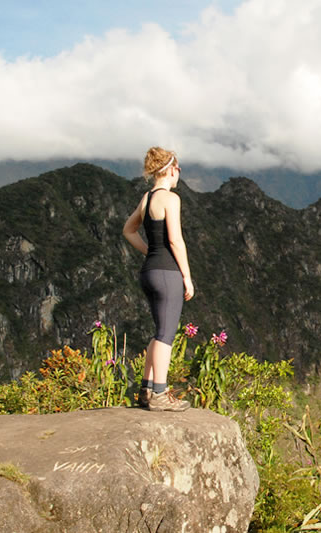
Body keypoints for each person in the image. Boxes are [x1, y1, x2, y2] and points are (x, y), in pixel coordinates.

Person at [123, 147, 194, 411]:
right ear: (172, 170)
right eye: (178, 170)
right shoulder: (170, 199)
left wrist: (149, 251)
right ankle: (160, 394)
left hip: (149, 272)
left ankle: (146, 390)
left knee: (159, 331)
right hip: (167, 274)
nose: (178, 175)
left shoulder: (147, 198)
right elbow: (175, 240)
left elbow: (128, 230)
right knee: (166, 334)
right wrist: (187, 276)